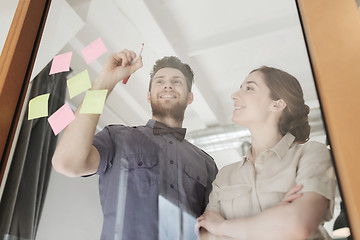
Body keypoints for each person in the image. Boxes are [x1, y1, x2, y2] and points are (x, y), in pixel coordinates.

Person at [51, 49, 218, 240]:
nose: (168, 86)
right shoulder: (117, 137)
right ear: (148, 96)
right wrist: (104, 83)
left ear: (190, 97)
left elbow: (211, 229)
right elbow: (66, 162)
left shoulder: (207, 164)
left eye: (177, 82)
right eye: (160, 81)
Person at [197, 66, 336, 240]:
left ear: (277, 104)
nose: (234, 95)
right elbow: (205, 235)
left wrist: (223, 226)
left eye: (249, 88)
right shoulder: (225, 176)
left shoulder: (312, 153)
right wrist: (276, 217)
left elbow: (298, 225)